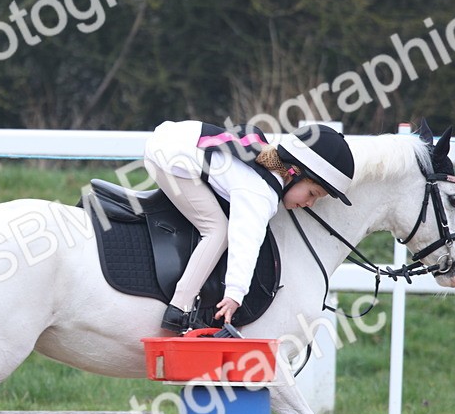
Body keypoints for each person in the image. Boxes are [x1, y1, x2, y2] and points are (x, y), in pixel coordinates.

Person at [143, 120, 355, 332]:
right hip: (168, 158)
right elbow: (245, 241)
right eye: (312, 194)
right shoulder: (260, 192)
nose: (310, 203)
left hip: (176, 140)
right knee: (218, 231)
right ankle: (180, 308)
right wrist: (235, 294)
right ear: (294, 172)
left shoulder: (268, 166)